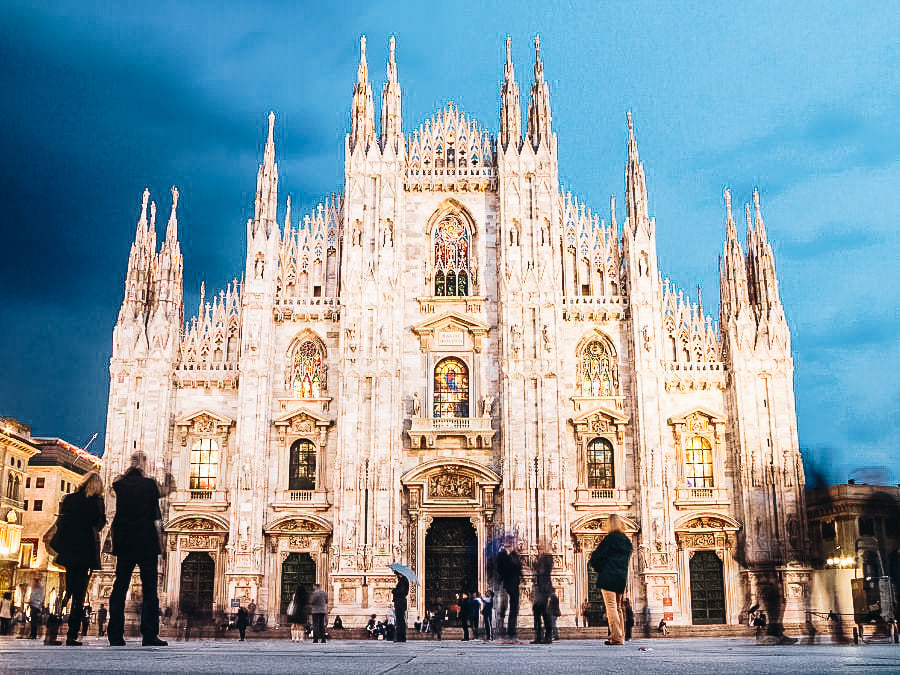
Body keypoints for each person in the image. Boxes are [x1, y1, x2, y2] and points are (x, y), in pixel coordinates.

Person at [107, 453, 167, 647]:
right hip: (146, 541)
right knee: (150, 590)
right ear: (143, 467)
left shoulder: (120, 486)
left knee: (119, 587)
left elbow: (113, 485)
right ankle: (149, 634)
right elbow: (158, 507)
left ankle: (115, 635)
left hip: (124, 541)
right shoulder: (149, 485)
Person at [589, 513, 633, 646]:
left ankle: (616, 637)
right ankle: (621, 636)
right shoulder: (626, 541)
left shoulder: (610, 539)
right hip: (621, 578)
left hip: (609, 577)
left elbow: (596, 557)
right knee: (618, 607)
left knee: (611, 607)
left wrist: (601, 568)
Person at [496, 541, 522, 639]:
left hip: (509, 584)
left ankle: (508, 628)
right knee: (509, 607)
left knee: (510, 608)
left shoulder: (507, 558)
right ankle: (508, 629)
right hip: (509, 585)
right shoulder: (507, 558)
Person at [531, 540, 553, 644]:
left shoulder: (548, 558)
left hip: (545, 590)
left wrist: (537, 566)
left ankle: (548, 636)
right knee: (536, 613)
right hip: (538, 589)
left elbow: (545, 571)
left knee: (545, 614)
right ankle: (538, 636)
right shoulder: (540, 559)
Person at [392, 572, 409, 643]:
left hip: (400, 602)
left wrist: (394, 591)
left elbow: (401, 591)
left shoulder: (403, 580)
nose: (396, 576)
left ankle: (400, 637)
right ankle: (401, 637)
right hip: (401, 602)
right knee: (400, 620)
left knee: (400, 621)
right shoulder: (403, 580)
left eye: (396, 574)